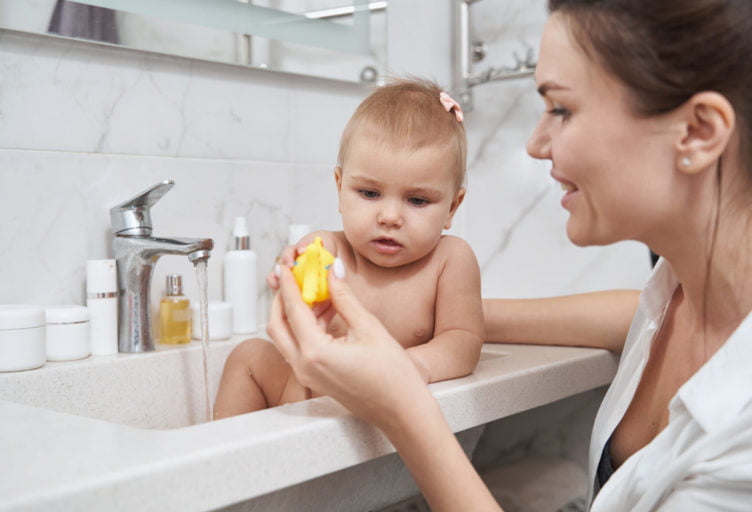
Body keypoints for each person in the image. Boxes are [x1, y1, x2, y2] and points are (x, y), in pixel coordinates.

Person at [266, 0, 752, 510]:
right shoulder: (679, 299)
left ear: (698, 132)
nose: (535, 144)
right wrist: (425, 312)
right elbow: (630, 312)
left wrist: (403, 403)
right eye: (369, 193)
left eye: (561, 109)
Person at [213, 79, 485, 419]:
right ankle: (226, 453)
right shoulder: (329, 248)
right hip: (300, 397)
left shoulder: (450, 260)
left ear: (452, 207)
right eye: (369, 194)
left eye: (417, 200)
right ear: (340, 187)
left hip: (381, 416)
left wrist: (412, 366)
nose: (389, 217)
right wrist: (293, 269)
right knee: (248, 355)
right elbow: (305, 261)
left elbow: (463, 341)